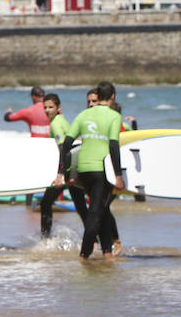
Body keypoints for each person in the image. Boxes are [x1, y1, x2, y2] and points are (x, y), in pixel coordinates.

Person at [54, 82, 124, 260]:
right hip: (102, 170)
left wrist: (62, 172)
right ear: (113, 97)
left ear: (98, 97)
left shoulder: (83, 114)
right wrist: (118, 175)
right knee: (95, 212)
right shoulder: (114, 116)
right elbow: (114, 146)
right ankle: (85, 254)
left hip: (83, 170)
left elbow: (66, 144)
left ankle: (107, 252)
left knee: (102, 208)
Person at [38, 93, 88, 238]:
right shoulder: (60, 119)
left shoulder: (56, 123)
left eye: (51, 107)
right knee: (80, 205)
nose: (47, 110)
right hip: (72, 167)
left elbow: (62, 148)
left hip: (65, 169)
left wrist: (60, 174)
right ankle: (95, 238)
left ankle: (45, 239)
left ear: (58, 107)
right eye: (45, 107)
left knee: (45, 203)